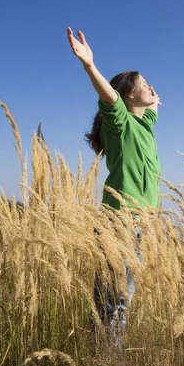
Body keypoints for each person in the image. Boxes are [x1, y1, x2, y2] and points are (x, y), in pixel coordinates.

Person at [66, 27, 161, 345]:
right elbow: (109, 97)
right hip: (119, 223)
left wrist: (154, 102)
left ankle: (98, 353)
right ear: (128, 95)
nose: (150, 86)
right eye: (144, 84)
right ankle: (108, 364)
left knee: (117, 302)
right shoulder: (119, 122)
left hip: (138, 226)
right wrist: (90, 66)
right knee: (116, 303)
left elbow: (151, 115)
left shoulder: (143, 125)